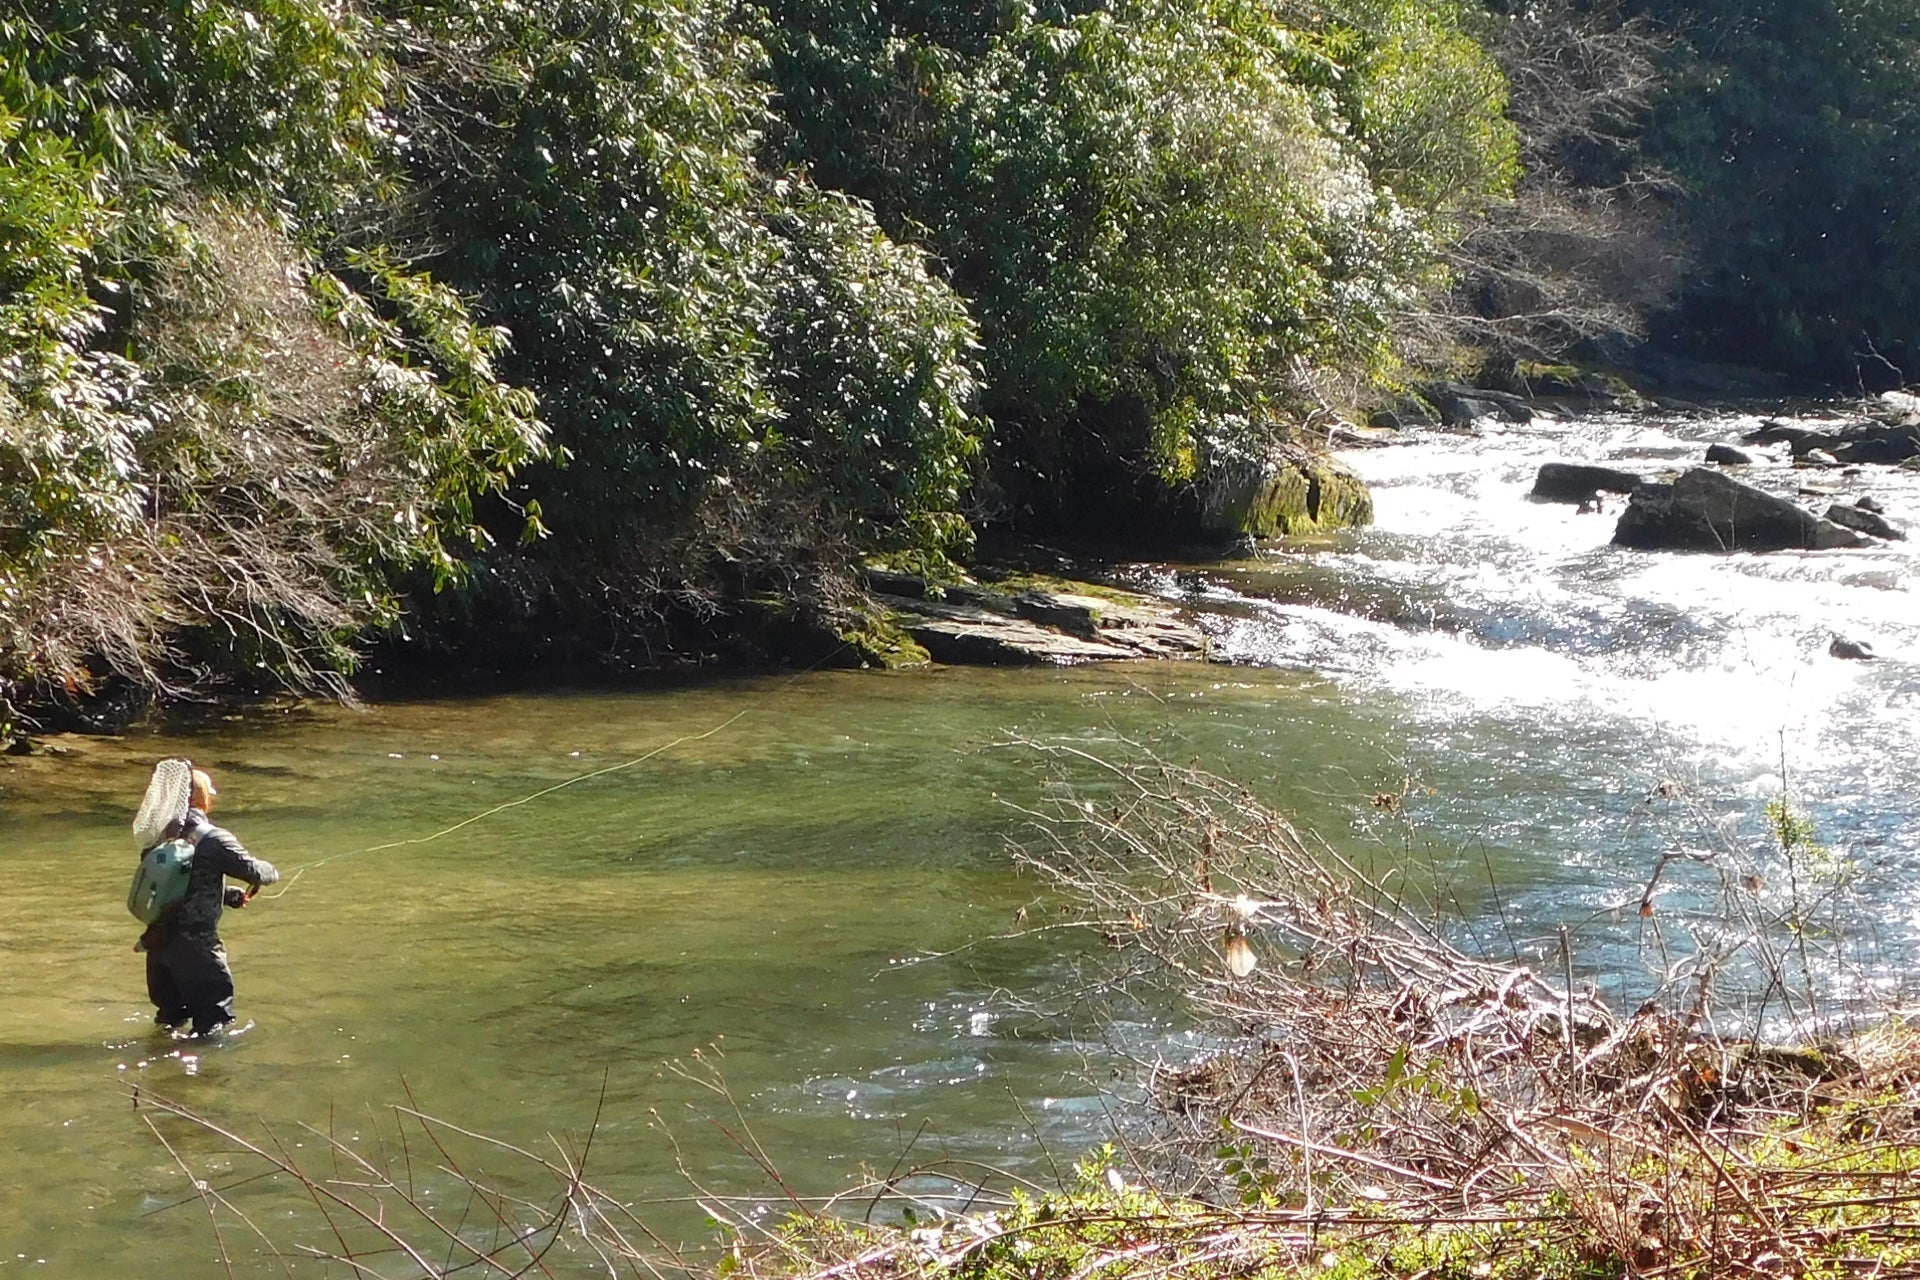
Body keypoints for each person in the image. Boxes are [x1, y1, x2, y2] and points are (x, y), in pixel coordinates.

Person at [140, 768, 279, 1036]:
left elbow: (171, 886)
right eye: (209, 792)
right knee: (214, 1028)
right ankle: (202, 1078)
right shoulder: (214, 839)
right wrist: (273, 871)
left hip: (159, 947)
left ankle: (158, 1076)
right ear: (198, 798)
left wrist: (225, 895)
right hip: (198, 951)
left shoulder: (157, 838)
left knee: (169, 1023)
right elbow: (255, 872)